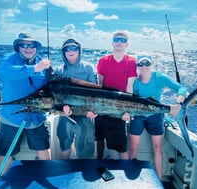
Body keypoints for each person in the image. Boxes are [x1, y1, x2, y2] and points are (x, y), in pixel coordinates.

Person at [0, 33, 51, 174]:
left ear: (36, 47)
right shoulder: (9, 59)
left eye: (32, 45)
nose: (28, 48)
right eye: (24, 45)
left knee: (43, 148)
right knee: (6, 152)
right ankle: (0, 181)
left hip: (36, 116)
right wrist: (34, 68)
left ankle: (48, 174)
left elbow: (50, 88)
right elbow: (4, 73)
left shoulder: (43, 63)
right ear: (18, 46)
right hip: (12, 117)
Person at [128, 55, 187, 179]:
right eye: (140, 64)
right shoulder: (135, 81)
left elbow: (181, 88)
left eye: (147, 63)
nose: (144, 67)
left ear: (152, 64)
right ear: (137, 66)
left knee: (158, 147)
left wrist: (178, 104)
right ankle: (133, 176)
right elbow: (129, 99)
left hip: (156, 116)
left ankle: (159, 179)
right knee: (133, 147)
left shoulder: (159, 77)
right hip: (137, 115)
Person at [94, 31, 138, 159]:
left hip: (119, 107)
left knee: (121, 145)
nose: (119, 42)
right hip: (102, 105)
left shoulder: (131, 61)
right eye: (117, 39)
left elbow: (129, 87)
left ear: (127, 44)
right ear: (112, 43)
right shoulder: (103, 61)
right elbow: (99, 85)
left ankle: (125, 168)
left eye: (123, 40)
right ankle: (99, 161)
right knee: (99, 137)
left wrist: (127, 110)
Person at [54, 38, 98, 159]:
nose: (70, 51)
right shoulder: (58, 70)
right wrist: (61, 110)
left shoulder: (88, 68)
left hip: (85, 114)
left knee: (85, 152)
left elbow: (95, 92)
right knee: (64, 146)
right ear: (63, 52)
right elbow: (55, 95)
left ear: (79, 50)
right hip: (65, 115)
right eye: (67, 49)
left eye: (74, 48)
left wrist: (93, 111)